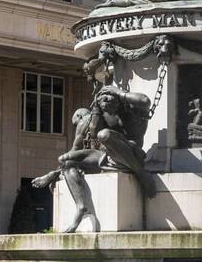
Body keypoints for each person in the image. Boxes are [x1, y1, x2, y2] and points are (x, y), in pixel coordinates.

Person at [32, 86, 153, 232]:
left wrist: (119, 93)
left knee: (105, 135)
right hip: (107, 156)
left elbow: (145, 100)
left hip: (132, 154)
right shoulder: (102, 111)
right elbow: (94, 133)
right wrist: (96, 108)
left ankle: (140, 173)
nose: (108, 108)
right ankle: (81, 207)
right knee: (67, 161)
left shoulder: (132, 107)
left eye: (110, 104)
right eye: (104, 106)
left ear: (117, 98)